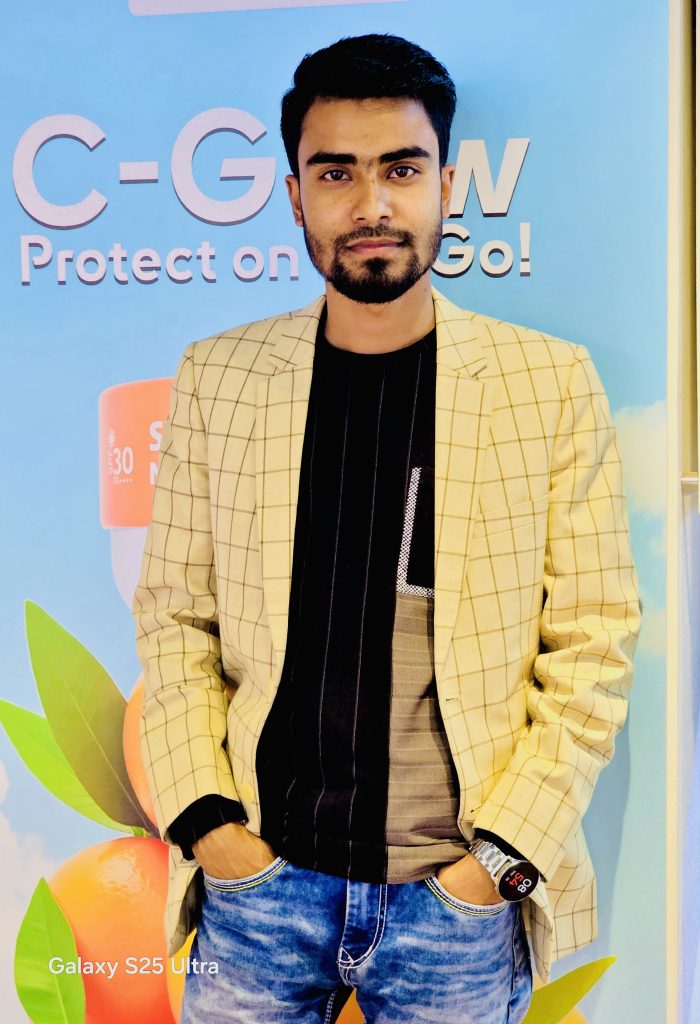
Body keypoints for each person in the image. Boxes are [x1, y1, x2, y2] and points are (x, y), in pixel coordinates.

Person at [133, 33, 641, 1024]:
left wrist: (497, 864)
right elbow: (174, 617)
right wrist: (209, 829)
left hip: (456, 906)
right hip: (258, 893)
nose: (371, 204)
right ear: (295, 197)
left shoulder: (548, 383)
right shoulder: (219, 377)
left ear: (446, 186)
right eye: (337, 173)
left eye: (401, 170)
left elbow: (595, 642)